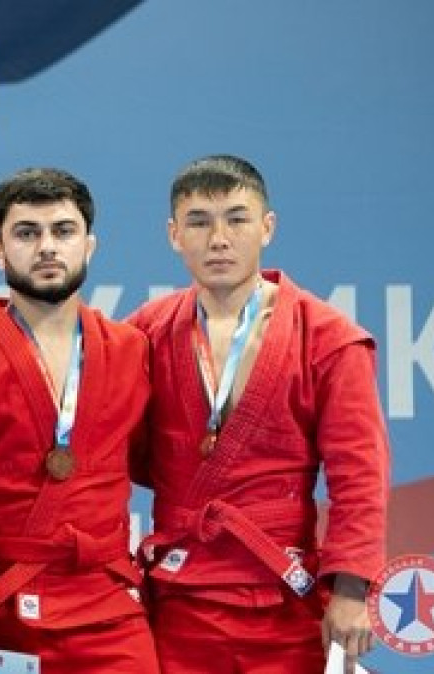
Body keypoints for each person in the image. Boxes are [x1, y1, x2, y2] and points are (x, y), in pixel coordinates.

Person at [127, 154, 390, 674]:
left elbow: (360, 475)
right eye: (199, 222)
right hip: (179, 598)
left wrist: (351, 590)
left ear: (267, 227)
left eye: (237, 219)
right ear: (174, 234)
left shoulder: (330, 339)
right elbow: (113, 454)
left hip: (285, 595)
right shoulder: (142, 334)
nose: (218, 239)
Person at [0, 168, 159, 674]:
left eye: (63, 231)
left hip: (108, 606)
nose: (47, 247)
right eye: (27, 233)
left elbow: (166, 462)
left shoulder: (131, 351)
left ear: (89, 245)